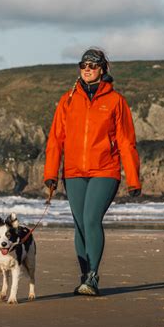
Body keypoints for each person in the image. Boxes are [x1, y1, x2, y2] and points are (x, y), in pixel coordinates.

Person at [43, 48, 141, 296]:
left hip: (105, 170)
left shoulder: (116, 101)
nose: (87, 69)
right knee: (79, 224)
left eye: (93, 65)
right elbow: (55, 140)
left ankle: (93, 277)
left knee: (90, 219)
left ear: (103, 69)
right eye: (83, 65)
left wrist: (133, 179)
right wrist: (51, 174)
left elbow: (126, 142)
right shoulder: (67, 99)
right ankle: (85, 276)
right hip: (74, 171)